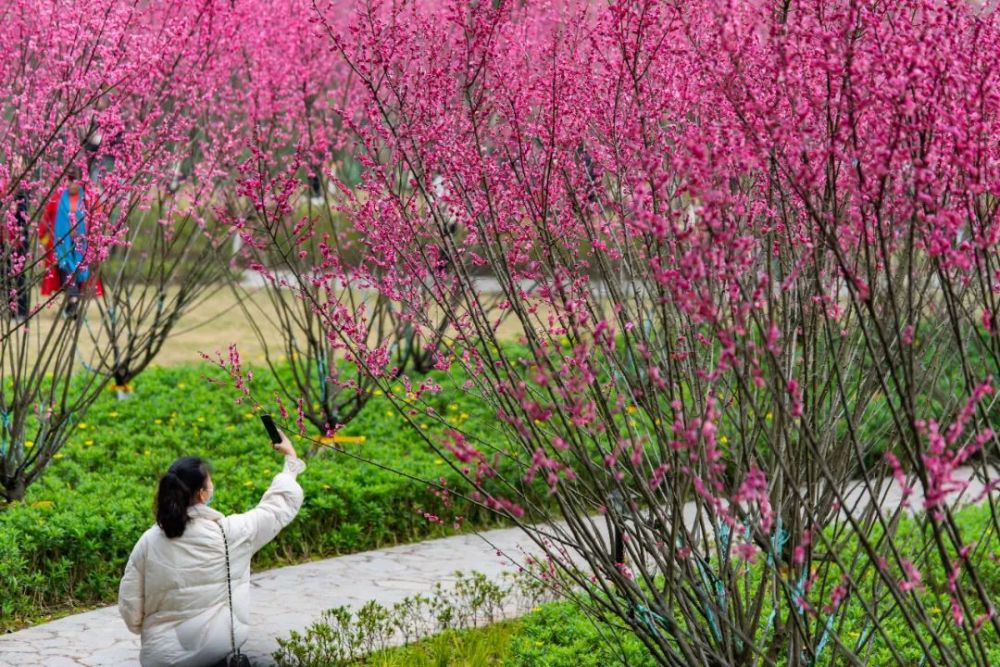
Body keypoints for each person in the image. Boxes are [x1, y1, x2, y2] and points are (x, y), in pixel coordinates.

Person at [118, 430, 305, 667]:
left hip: (161, 657)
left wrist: (154, 628)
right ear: (202, 494)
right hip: (214, 653)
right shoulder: (229, 535)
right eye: (210, 482)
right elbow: (275, 509)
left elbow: (130, 605)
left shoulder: (148, 540)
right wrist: (290, 460)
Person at [40, 164, 97, 319]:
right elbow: (46, 218)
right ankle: (72, 298)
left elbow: (96, 219)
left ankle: (72, 306)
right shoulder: (58, 197)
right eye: (69, 180)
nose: (71, 184)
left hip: (81, 246)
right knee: (65, 270)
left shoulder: (88, 198)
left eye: (75, 181)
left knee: (79, 273)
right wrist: (43, 236)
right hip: (62, 245)